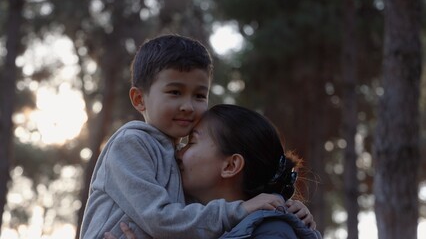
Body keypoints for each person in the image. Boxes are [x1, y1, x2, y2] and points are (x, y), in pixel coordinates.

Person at [80, 35, 287, 239]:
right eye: (175, 92)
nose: (188, 106)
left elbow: (194, 220)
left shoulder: (178, 160)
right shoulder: (131, 144)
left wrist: (283, 204)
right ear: (139, 99)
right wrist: (241, 210)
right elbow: (159, 220)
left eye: (199, 96)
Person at [105, 104, 322, 239]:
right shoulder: (199, 226)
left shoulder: (272, 231)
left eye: (192, 142)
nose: (178, 153)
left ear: (230, 166)